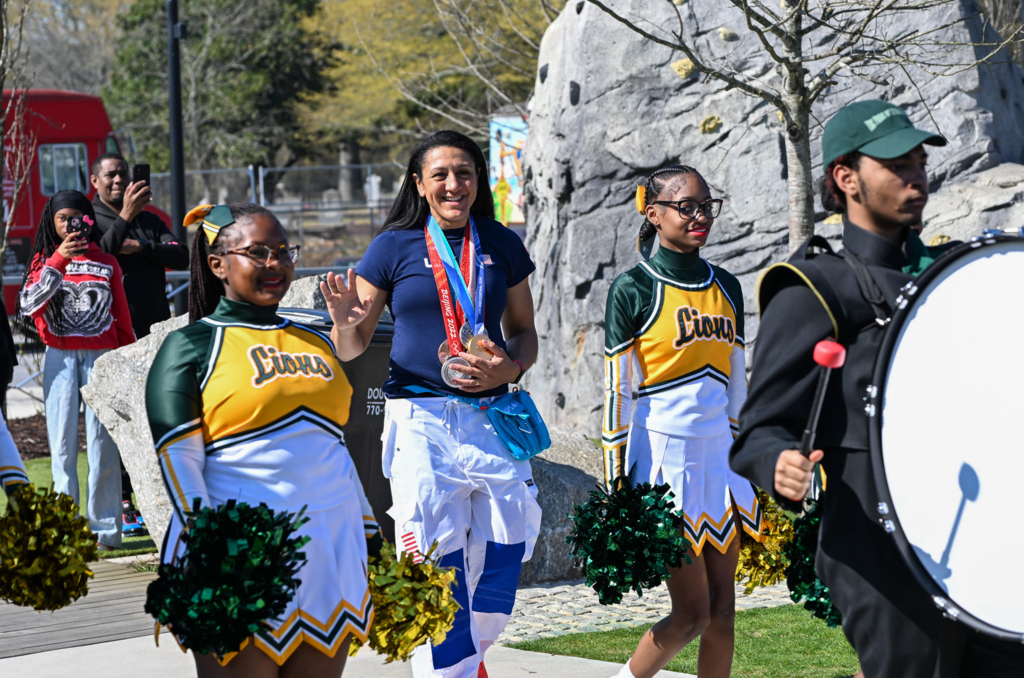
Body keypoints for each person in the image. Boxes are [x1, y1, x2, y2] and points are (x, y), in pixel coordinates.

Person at [731, 99, 1024, 676]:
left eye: (919, 160)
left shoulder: (955, 276)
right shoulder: (815, 289)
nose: (917, 174)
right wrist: (780, 466)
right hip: (879, 554)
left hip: (983, 551)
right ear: (846, 179)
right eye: (896, 163)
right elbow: (758, 433)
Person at [320, 130, 542, 678]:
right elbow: (350, 346)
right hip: (419, 420)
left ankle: (470, 658)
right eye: (439, 174)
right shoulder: (392, 247)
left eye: (464, 173)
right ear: (419, 184)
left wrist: (510, 367)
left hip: (492, 418)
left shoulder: (502, 243)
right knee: (433, 558)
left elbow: (526, 332)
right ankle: (449, 671)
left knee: (510, 543)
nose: (453, 184)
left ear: (478, 181)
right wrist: (345, 326)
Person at [146, 203, 379, 676]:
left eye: (283, 251)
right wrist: (208, 547)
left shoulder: (315, 341)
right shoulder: (192, 345)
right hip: (235, 558)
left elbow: (331, 445)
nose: (275, 264)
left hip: (327, 552)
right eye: (258, 253)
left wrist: (371, 538)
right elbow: (179, 458)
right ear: (218, 264)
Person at [603, 166, 763, 678]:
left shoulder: (728, 286)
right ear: (654, 213)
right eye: (686, 206)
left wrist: (750, 455)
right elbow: (617, 393)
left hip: (721, 460)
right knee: (691, 613)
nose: (700, 216)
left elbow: (738, 383)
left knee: (723, 611)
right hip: (663, 464)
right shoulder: (633, 288)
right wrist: (616, 483)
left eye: (707, 205)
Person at [17, 190, 135, 551]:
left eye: (77, 217)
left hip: (102, 359)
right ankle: (65, 530)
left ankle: (104, 532)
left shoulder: (107, 263)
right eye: (62, 218)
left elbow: (123, 320)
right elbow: (27, 305)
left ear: (89, 220)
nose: (71, 224)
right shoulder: (44, 261)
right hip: (60, 358)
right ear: (52, 224)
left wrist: (125, 361)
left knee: (103, 446)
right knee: (63, 449)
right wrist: (56, 261)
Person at [90, 152, 189, 536]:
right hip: (114, 335)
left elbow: (179, 252)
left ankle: (159, 494)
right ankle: (125, 500)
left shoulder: (151, 219)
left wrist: (143, 247)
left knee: (158, 414)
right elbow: (102, 253)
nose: (119, 181)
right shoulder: (89, 219)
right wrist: (125, 217)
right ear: (95, 180)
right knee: (120, 418)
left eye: (124, 174)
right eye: (111, 175)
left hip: (153, 332)